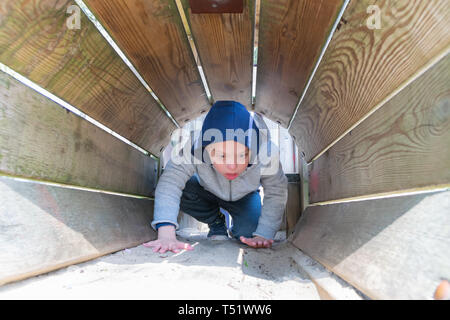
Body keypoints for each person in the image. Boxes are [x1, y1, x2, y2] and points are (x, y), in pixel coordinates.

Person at [143, 100, 288, 254]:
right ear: (207, 149)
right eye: (222, 156)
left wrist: (263, 234)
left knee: (249, 233)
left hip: (245, 196)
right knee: (185, 189)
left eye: (241, 155)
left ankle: (240, 227)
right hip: (206, 190)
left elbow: (276, 191)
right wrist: (166, 234)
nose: (232, 166)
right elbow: (171, 181)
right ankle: (216, 221)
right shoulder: (194, 147)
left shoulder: (265, 152)